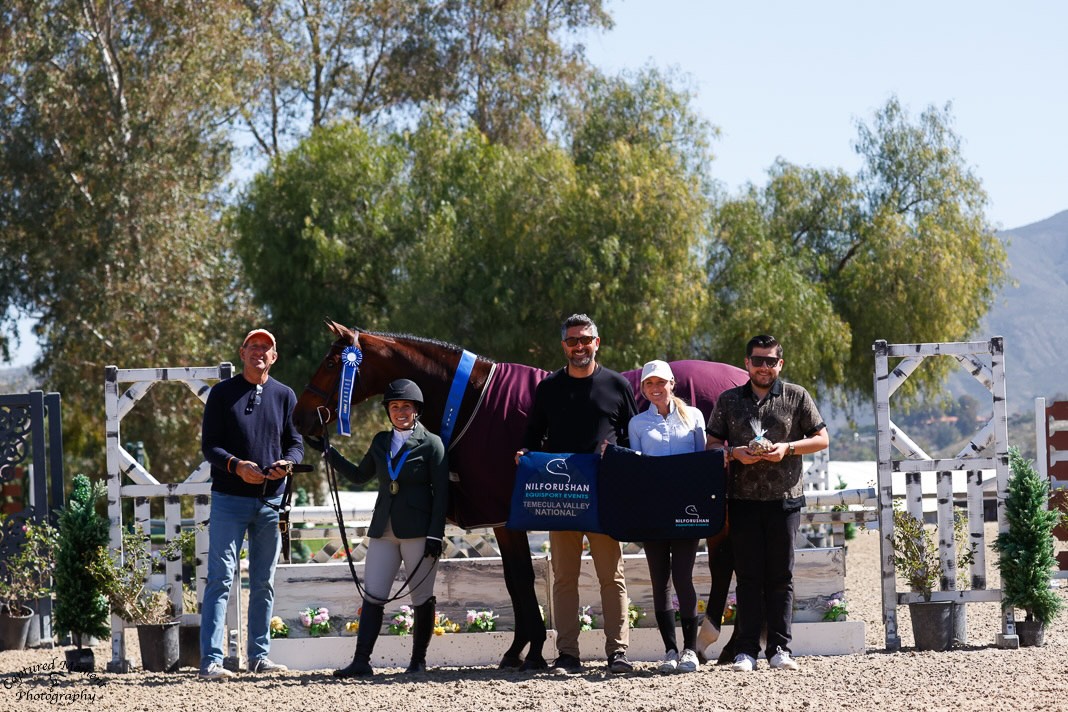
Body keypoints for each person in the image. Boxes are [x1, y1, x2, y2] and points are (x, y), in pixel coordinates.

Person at [516, 313, 638, 674]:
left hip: (604, 497)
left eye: (586, 339)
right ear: (564, 346)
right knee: (563, 578)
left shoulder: (618, 385)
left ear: (597, 342)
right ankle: (567, 653)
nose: (579, 346)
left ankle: (618, 653)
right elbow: (532, 435)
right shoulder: (548, 388)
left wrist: (618, 458)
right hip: (561, 499)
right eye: (573, 341)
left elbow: (633, 439)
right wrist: (524, 456)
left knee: (611, 577)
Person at [705, 335, 828, 673]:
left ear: (780, 364)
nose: (763, 367)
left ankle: (780, 648)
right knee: (747, 577)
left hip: (785, 500)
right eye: (757, 360)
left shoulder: (797, 395)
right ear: (747, 363)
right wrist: (733, 454)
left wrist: (786, 449)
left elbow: (822, 438)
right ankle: (746, 650)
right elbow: (712, 443)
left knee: (781, 576)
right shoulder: (728, 400)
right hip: (741, 501)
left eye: (770, 361)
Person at [322, 379, 450, 677]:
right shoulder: (380, 441)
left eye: (406, 406)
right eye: (395, 406)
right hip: (384, 529)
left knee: (421, 597)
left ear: (416, 410)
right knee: (374, 595)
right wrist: (329, 452)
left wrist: (436, 534)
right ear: (388, 411)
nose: (400, 411)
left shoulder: (432, 444)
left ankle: (418, 662)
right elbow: (358, 476)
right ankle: (361, 661)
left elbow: (442, 493)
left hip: (419, 531)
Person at [199, 328, 304, 680]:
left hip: (269, 502)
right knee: (220, 580)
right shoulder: (221, 394)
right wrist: (236, 466)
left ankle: (259, 657)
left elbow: (296, 444)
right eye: (254, 346)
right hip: (229, 499)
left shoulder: (286, 396)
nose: (260, 352)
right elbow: (209, 446)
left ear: (274, 357)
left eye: (267, 348)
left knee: (264, 581)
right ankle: (212, 662)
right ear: (242, 353)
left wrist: (286, 464)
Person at [627, 360, 706, 673]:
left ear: (672, 383)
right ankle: (670, 650)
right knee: (660, 580)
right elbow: (637, 470)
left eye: (661, 382)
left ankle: (690, 649)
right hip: (654, 511)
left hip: (687, 510)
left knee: (684, 577)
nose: (656, 389)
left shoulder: (695, 417)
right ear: (644, 388)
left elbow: (702, 463)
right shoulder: (637, 425)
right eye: (649, 384)